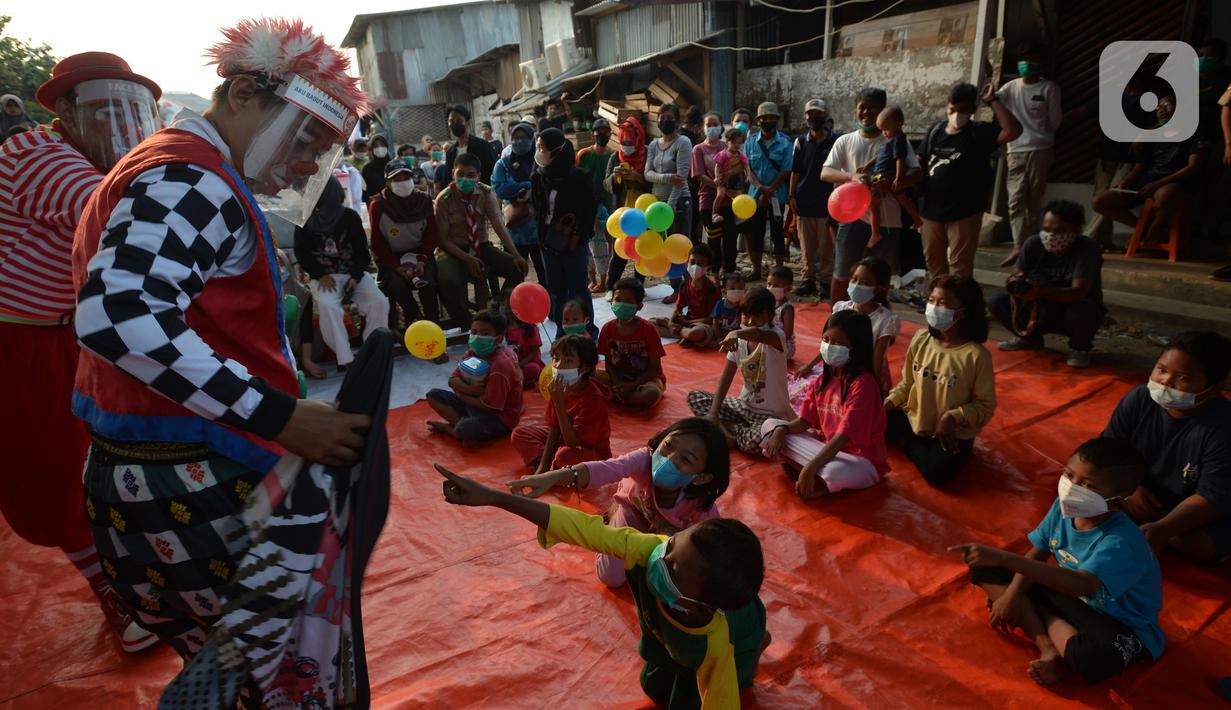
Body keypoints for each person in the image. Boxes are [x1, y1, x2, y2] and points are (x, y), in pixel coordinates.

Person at [71, 18, 373, 672]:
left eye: (323, 149)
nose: (304, 164)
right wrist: (282, 416)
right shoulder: (193, 179)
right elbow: (118, 315)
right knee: (286, 675)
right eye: (306, 137)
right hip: (196, 474)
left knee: (220, 669)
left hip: (136, 472)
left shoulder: (163, 165)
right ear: (242, 93)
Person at [0, 51, 162, 653]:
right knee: (58, 472)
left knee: (109, 458)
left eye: (130, 112)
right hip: (20, 341)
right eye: (102, 112)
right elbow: (132, 222)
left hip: (67, 333)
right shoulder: (41, 158)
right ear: (65, 111)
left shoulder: (92, 162)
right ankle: (115, 596)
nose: (120, 129)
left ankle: (138, 575)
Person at [439, 459, 767, 709]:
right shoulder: (650, 550)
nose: (660, 558)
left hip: (735, 636)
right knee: (655, 686)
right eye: (672, 545)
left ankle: (758, 644)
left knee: (699, 690)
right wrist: (492, 497)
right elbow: (580, 527)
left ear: (697, 606)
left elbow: (721, 701)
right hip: (671, 641)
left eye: (675, 568)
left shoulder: (713, 645)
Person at [951, 439, 1163, 685]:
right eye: (1069, 475)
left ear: (1119, 498)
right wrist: (1012, 596)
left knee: (1094, 658)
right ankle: (1050, 648)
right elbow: (1039, 551)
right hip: (1073, 601)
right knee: (984, 566)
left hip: (1118, 622)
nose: (1071, 488)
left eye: (1087, 485)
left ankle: (1035, 614)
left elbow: (1083, 585)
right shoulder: (1066, 507)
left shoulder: (1120, 541)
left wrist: (1006, 563)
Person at [510, 417, 731, 588]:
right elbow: (606, 469)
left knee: (673, 581)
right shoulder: (644, 459)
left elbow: (710, 551)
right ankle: (611, 523)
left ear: (702, 477)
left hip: (670, 534)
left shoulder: (702, 509)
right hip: (633, 511)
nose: (669, 459)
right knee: (611, 577)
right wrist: (553, 477)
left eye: (686, 459)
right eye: (669, 446)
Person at [1103, 330, 1231, 563]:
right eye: (1162, 370)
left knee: (1199, 546)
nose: (1165, 382)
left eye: (1182, 377)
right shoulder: (1139, 398)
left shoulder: (1223, 427)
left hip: (1196, 508)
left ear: (1214, 388)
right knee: (1083, 489)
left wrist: (1165, 526)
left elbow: (1212, 497)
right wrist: (1131, 488)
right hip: (1139, 492)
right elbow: (1108, 452)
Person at [763, 310, 889, 499]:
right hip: (826, 447)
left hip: (860, 460)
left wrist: (811, 467)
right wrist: (782, 430)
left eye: (838, 343)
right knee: (770, 427)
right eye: (826, 339)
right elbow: (804, 422)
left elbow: (843, 437)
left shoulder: (863, 383)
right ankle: (812, 475)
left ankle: (811, 474)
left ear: (856, 347)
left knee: (833, 472)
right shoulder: (822, 380)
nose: (829, 346)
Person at [884, 275, 996, 486]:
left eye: (943, 303)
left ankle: (907, 443)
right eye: (932, 300)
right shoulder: (920, 339)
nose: (934, 307)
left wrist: (952, 417)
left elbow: (985, 406)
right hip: (914, 419)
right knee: (869, 425)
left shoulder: (975, 356)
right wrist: (885, 406)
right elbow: (907, 385)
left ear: (963, 312)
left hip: (949, 433)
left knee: (938, 474)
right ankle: (912, 439)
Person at [821, 88, 921, 301]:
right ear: (855, 110)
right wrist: (852, 177)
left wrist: (895, 183)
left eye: (873, 109)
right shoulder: (845, 140)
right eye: (862, 108)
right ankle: (836, 318)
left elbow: (916, 172)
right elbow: (826, 172)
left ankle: (876, 324)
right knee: (842, 272)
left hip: (888, 220)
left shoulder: (895, 140)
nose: (866, 113)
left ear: (883, 111)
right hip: (852, 217)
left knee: (879, 277)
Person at [917, 82, 1022, 277]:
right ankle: (935, 302)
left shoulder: (980, 132)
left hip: (964, 212)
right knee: (933, 262)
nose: (957, 114)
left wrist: (993, 101)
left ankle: (957, 303)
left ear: (973, 110)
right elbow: (921, 160)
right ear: (947, 105)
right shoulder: (935, 131)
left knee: (960, 265)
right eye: (953, 109)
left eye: (964, 110)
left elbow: (1013, 131)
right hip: (931, 210)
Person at [990, 200, 1104, 369]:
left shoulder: (1087, 248)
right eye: (1047, 229)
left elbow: (1079, 292)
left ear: (1077, 230)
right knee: (996, 300)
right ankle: (1029, 339)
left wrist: (1041, 292)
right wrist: (1018, 283)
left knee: (1083, 309)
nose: (1051, 236)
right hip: (1038, 307)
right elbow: (1017, 276)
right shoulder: (1033, 243)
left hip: (1071, 309)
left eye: (1059, 231)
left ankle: (1079, 348)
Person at [294, 177, 389, 371]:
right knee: (329, 307)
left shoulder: (349, 217)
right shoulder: (305, 220)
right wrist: (319, 274)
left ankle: (373, 351)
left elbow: (362, 252)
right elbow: (302, 254)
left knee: (379, 302)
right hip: (324, 277)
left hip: (353, 275)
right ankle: (345, 358)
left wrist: (354, 277)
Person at [1091, 94, 1206, 252]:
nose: (1161, 110)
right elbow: (1141, 166)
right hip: (1150, 180)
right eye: (1159, 107)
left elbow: (1192, 167)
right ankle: (1144, 229)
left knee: (1165, 194)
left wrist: (1157, 184)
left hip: (1178, 181)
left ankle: (1155, 229)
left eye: (1167, 105)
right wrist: (1128, 181)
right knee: (1100, 201)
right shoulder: (1153, 133)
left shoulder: (1193, 131)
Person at [687, 287, 793, 454]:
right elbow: (726, 377)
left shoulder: (776, 336)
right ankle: (732, 429)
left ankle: (730, 431)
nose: (750, 321)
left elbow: (757, 334)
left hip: (771, 415)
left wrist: (735, 332)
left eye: (757, 316)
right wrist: (713, 413)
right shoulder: (739, 341)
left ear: (770, 316)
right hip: (743, 406)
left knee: (758, 442)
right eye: (746, 315)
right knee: (695, 397)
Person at [434, 153, 528, 326]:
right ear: (453, 173)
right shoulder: (444, 199)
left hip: (481, 246)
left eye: (470, 175)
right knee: (447, 280)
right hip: (453, 249)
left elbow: (498, 225)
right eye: (460, 174)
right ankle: (464, 319)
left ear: (478, 176)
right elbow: (442, 240)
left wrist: (515, 254)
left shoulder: (485, 192)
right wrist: (469, 259)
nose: (464, 178)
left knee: (517, 268)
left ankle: (497, 308)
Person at [997, 41, 1063, 267]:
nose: (1026, 65)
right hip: (1015, 149)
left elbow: (1055, 122)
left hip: (1040, 150)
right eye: (1023, 61)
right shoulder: (1010, 88)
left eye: (1031, 60)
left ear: (1040, 63)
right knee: (1015, 199)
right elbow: (992, 103)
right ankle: (1018, 244)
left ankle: (1030, 244)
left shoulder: (1049, 89)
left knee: (1034, 200)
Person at [511, 334, 611, 472]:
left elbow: (573, 442)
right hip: (562, 441)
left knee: (565, 456)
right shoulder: (560, 388)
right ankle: (553, 467)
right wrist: (543, 464)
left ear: (585, 368)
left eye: (568, 360)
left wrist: (559, 403)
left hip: (589, 451)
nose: (558, 366)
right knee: (519, 434)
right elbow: (554, 428)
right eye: (556, 359)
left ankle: (556, 467)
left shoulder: (593, 399)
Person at [533, 128, 598, 339]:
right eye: (538, 147)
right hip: (548, 242)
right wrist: (542, 238)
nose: (539, 151)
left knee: (578, 287)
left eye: (543, 147)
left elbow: (589, 212)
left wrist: (578, 236)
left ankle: (587, 330)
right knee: (556, 288)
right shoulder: (539, 177)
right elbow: (539, 210)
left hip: (573, 243)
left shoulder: (579, 178)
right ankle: (563, 331)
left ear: (557, 150)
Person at [426, 309, 524, 446]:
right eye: (474, 332)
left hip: (499, 418)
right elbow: (452, 380)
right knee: (433, 395)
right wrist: (472, 391)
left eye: (485, 333)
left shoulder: (500, 367)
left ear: (499, 339)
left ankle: (451, 429)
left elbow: (488, 406)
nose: (477, 337)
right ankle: (466, 430)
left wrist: (461, 393)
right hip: (473, 404)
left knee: (464, 428)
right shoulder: (471, 354)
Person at [369, 158, 442, 333]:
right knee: (396, 286)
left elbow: (432, 234)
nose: (403, 183)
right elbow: (377, 242)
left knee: (428, 285)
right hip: (391, 256)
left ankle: (434, 331)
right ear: (388, 182)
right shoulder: (379, 205)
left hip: (420, 254)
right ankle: (414, 317)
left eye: (406, 178)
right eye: (397, 179)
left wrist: (423, 259)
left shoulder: (423, 200)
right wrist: (396, 266)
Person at [788, 98, 838, 297]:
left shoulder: (835, 141)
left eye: (817, 114)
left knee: (826, 246)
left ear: (826, 116)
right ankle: (808, 279)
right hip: (804, 200)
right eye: (809, 113)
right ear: (805, 116)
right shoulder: (800, 142)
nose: (813, 117)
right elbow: (795, 170)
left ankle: (825, 281)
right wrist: (791, 195)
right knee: (806, 246)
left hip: (827, 202)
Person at [645, 103, 693, 303]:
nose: (665, 121)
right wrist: (666, 178)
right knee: (664, 250)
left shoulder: (683, 142)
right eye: (661, 117)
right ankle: (677, 289)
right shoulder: (654, 145)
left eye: (669, 118)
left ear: (678, 121)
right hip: (657, 204)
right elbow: (647, 174)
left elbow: (680, 178)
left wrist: (671, 205)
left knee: (680, 249)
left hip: (678, 202)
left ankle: (689, 290)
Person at [596, 277, 666, 409]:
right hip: (617, 378)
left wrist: (631, 386)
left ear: (639, 306)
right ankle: (625, 397)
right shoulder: (607, 329)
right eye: (618, 300)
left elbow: (655, 368)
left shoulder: (648, 330)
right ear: (611, 302)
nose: (622, 304)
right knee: (587, 377)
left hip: (645, 381)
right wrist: (617, 382)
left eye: (628, 301)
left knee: (650, 394)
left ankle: (616, 397)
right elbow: (608, 363)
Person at [744, 102, 793, 280]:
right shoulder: (750, 143)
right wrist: (760, 188)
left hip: (776, 196)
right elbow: (747, 168)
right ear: (758, 121)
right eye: (764, 118)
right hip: (754, 197)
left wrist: (769, 190)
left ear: (777, 120)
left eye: (771, 117)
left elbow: (786, 169)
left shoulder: (786, 143)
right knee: (755, 232)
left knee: (777, 232)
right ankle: (756, 271)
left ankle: (779, 272)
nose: (768, 121)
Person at [492, 121, 547, 284]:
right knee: (515, 274)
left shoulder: (541, 163)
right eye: (515, 138)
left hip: (539, 229)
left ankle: (548, 307)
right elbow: (500, 188)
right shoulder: (503, 163)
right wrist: (528, 185)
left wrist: (517, 188)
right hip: (514, 230)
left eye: (524, 138)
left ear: (532, 140)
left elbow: (547, 186)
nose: (519, 141)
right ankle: (512, 305)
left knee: (545, 275)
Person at [863, 105, 923, 244]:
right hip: (883, 174)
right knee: (902, 199)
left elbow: (899, 160)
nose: (883, 133)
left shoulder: (899, 140)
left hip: (885, 176)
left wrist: (898, 178)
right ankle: (917, 219)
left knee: (874, 205)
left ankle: (875, 233)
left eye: (886, 129)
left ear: (898, 124)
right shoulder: (890, 140)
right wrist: (868, 165)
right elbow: (879, 156)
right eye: (882, 130)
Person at [603, 116, 648, 287]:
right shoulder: (615, 157)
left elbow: (653, 180)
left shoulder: (648, 154)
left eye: (630, 142)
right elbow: (605, 183)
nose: (626, 146)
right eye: (623, 142)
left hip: (644, 210)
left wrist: (639, 177)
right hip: (622, 212)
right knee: (619, 251)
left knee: (642, 250)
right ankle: (610, 286)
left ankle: (638, 286)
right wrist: (615, 177)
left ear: (638, 139)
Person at [650, 244, 719, 343]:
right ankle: (683, 334)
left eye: (701, 264)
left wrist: (686, 323)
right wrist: (671, 323)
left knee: (695, 333)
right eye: (693, 262)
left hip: (703, 325)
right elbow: (678, 309)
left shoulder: (712, 289)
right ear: (687, 263)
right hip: (686, 322)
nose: (696, 266)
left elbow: (711, 319)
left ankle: (683, 334)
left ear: (708, 267)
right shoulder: (685, 284)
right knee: (650, 323)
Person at [576, 118, 615, 292]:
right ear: (593, 133)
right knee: (588, 244)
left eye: (606, 131)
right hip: (587, 206)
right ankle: (592, 279)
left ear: (610, 133)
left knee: (609, 243)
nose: (602, 134)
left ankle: (606, 279)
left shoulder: (614, 155)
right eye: (599, 131)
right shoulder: (583, 154)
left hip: (609, 205)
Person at [275, 247, 326, 379]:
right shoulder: (261, 292)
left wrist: (307, 361)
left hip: (297, 347)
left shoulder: (302, 293)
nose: (279, 268)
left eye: (281, 263)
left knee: (323, 327)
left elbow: (306, 329)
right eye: (274, 263)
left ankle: (301, 363)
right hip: (272, 350)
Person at [692, 112, 728, 272]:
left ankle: (729, 272)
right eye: (709, 125)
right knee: (713, 240)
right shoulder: (698, 149)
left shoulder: (727, 146)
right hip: (707, 200)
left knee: (729, 238)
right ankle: (715, 273)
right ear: (703, 128)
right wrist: (718, 184)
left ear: (721, 127)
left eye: (715, 124)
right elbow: (698, 174)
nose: (712, 128)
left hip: (728, 200)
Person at [439, 104, 497, 187]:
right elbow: (448, 180)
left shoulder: (483, 146)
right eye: (451, 121)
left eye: (459, 120)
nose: (455, 124)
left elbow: (492, 174)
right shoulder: (450, 153)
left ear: (468, 122)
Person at [498, 285, 544, 386]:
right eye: (502, 305)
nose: (506, 309)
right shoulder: (503, 328)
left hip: (527, 364)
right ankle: (520, 382)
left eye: (509, 306)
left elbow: (534, 352)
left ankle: (518, 382)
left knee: (533, 369)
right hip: (511, 365)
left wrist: (519, 365)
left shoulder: (529, 328)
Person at [767, 265, 795, 360]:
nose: (771, 288)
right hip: (770, 339)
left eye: (776, 285)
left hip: (783, 345)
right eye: (769, 284)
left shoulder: (787, 308)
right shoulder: (769, 302)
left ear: (788, 288)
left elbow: (788, 333)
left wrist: (771, 340)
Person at [360, 134, 391, 202]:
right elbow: (363, 192)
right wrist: (371, 198)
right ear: (372, 149)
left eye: (382, 145)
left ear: (387, 147)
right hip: (375, 204)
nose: (380, 148)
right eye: (376, 146)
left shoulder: (393, 165)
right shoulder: (367, 168)